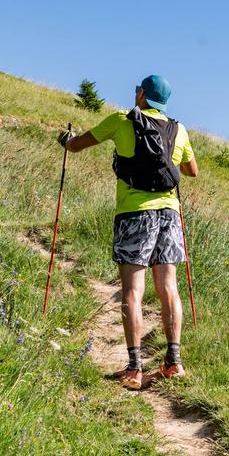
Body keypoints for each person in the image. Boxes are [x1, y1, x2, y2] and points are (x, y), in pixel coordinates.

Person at [58, 75, 198, 390]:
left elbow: (78, 145)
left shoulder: (122, 121)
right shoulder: (179, 130)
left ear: (142, 95)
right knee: (168, 289)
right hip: (169, 215)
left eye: (138, 90)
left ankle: (135, 369)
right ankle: (173, 363)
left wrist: (65, 140)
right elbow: (192, 171)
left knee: (133, 292)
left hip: (134, 214)